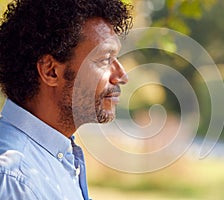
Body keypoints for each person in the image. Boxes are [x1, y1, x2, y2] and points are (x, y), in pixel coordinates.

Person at [0, 0, 133, 199]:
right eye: (105, 59)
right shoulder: (16, 179)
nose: (121, 76)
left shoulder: (57, 157)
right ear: (51, 71)